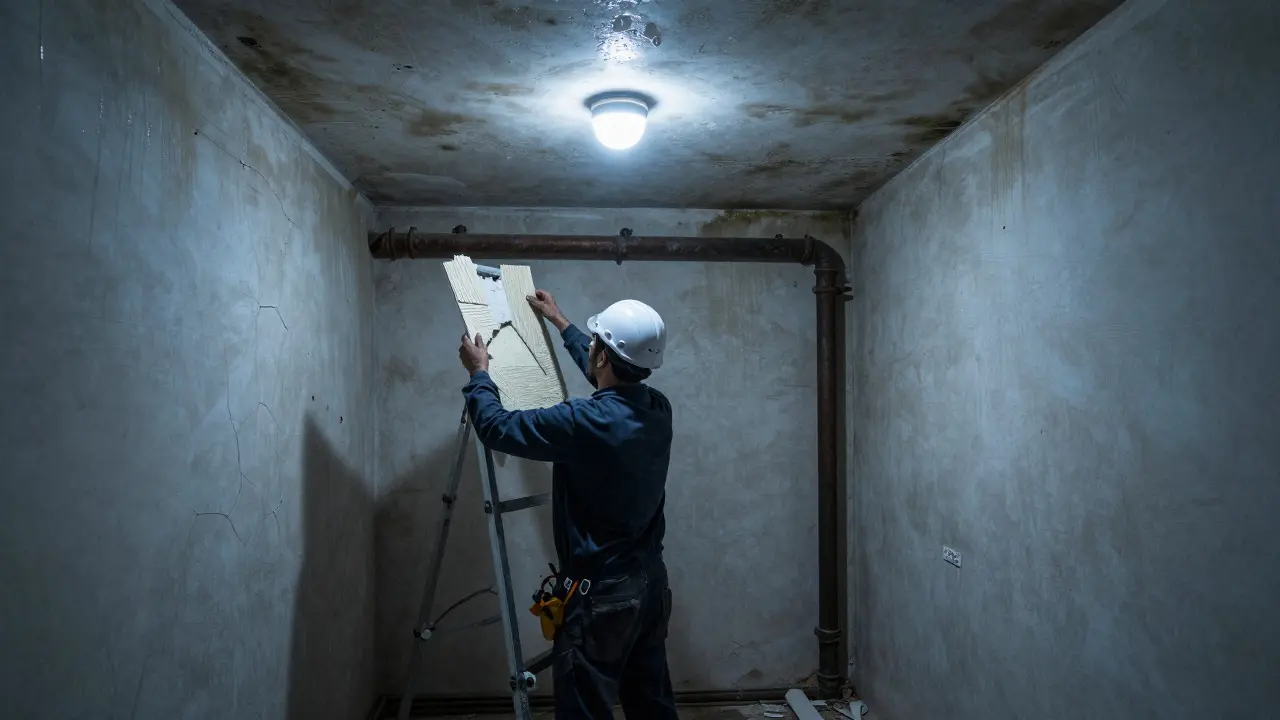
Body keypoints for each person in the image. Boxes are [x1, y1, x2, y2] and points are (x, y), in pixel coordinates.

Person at [457, 290, 677, 720]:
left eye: (595, 344)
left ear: (602, 358)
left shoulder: (584, 422)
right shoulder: (657, 409)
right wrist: (561, 322)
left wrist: (479, 373)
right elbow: (609, 376)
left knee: (585, 709)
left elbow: (497, 427)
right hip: (648, 584)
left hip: (601, 600)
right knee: (650, 701)